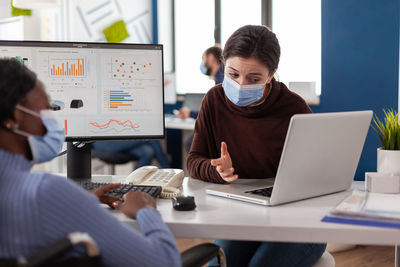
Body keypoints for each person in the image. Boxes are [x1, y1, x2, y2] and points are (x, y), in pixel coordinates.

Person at [0, 59, 180, 267]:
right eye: (46, 110)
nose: (52, 122)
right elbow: (164, 262)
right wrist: (146, 210)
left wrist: (78, 202)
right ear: (15, 117)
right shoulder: (44, 192)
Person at [187, 25, 326, 267]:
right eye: (233, 74)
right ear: (224, 64)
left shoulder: (293, 108)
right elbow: (193, 161)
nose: (241, 85)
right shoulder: (214, 100)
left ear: (271, 74)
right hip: (240, 216)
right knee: (220, 264)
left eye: (254, 79)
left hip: (295, 219)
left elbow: (319, 171)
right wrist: (217, 169)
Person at [177, 46, 225, 152]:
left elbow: (213, 114)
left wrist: (191, 114)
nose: (203, 63)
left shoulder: (221, 81)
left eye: (203, 59)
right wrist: (190, 113)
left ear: (211, 58)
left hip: (222, 130)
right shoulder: (221, 77)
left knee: (190, 141)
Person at [92, 140, 170, 169]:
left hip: (121, 140)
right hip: (103, 141)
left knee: (147, 151)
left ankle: (133, 182)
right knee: (152, 139)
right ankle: (169, 172)